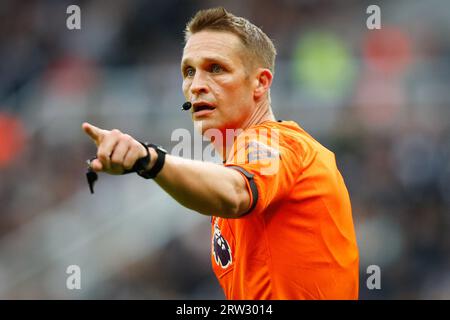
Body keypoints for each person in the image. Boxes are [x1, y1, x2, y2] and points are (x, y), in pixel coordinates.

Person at [82, 7, 359, 300]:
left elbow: (237, 193)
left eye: (216, 68)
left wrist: (149, 160)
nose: (197, 86)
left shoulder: (280, 143)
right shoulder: (236, 167)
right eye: (189, 71)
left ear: (260, 83)